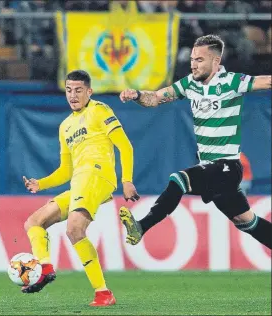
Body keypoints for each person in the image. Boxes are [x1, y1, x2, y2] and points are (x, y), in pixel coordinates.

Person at [118, 34, 272, 250]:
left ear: (216, 62)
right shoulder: (190, 84)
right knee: (245, 221)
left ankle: (142, 226)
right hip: (211, 168)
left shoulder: (232, 82)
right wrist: (136, 94)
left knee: (179, 179)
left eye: (199, 60)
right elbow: (155, 98)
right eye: (192, 59)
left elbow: (266, 81)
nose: (193, 64)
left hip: (227, 166)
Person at [23, 70, 139, 306]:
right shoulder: (65, 126)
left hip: (97, 174)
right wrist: (41, 183)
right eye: (68, 90)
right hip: (79, 181)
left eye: (78, 90)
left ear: (89, 91)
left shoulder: (100, 110)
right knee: (34, 222)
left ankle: (102, 292)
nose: (73, 95)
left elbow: (125, 146)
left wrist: (127, 180)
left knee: (74, 228)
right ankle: (47, 268)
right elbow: (66, 170)